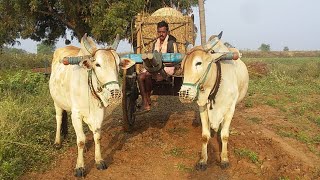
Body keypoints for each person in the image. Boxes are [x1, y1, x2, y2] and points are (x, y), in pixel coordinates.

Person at [136, 21, 178, 114]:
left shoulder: (172, 42)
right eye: (159, 32)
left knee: (147, 75)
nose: (161, 34)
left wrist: (162, 63)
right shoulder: (155, 42)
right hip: (154, 67)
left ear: (167, 32)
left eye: (163, 32)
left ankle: (146, 100)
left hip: (167, 67)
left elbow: (174, 58)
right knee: (140, 77)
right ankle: (145, 100)